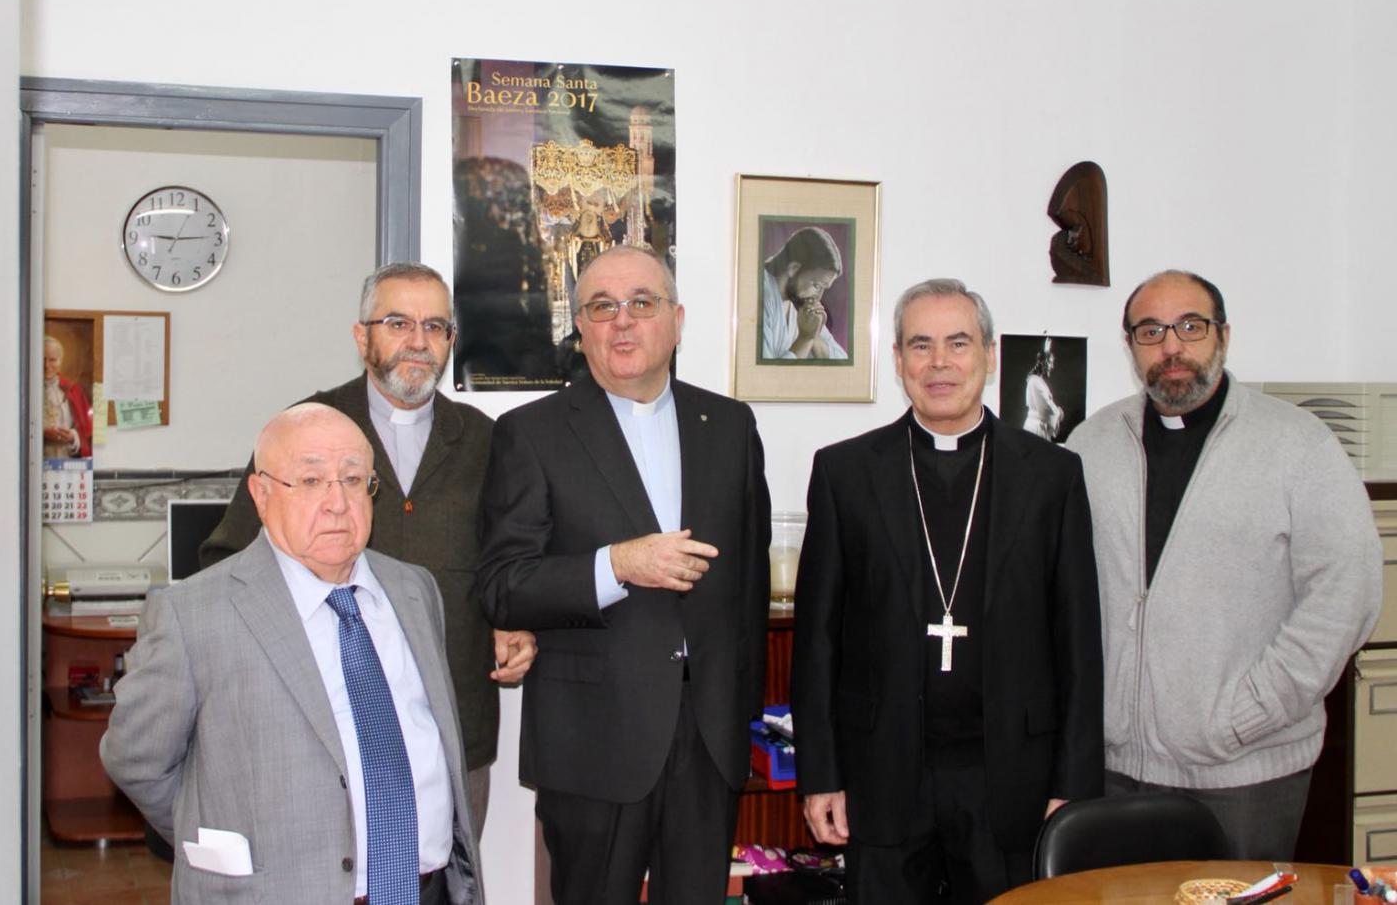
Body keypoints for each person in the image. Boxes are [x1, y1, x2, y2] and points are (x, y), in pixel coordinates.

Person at [475, 245, 771, 905]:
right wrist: (618, 564)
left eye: (642, 303)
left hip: (709, 738)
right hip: (591, 739)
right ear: (579, 328)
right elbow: (502, 583)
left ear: (677, 319)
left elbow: (749, 585)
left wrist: (740, 714)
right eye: (602, 307)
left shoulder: (728, 424)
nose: (623, 322)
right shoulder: (532, 433)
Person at [792, 278, 1102, 905]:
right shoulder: (845, 472)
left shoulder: (1052, 475)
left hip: (1011, 777)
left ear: (988, 355)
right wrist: (820, 774)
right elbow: (816, 640)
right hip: (881, 774)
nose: (939, 363)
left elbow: (1078, 638)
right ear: (900, 360)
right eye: (920, 345)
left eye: (958, 343)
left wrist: (1074, 781)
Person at [200, 261, 534, 837]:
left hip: (452, 721)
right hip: (324, 727)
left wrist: (517, 621)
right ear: (363, 337)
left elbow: (513, 559)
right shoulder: (303, 431)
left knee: (442, 884)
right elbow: (228, 561)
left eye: (435, 327)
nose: (418, 342)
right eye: (398, 322)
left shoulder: (486, 440)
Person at [102, 404, 483, 904]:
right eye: (309, 480)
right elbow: (137, 760)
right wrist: (222, 837)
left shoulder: (413, 590)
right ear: (261, 495)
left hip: (428, 889)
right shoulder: (192, 614)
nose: (337, 503)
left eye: (353, 479)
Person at [1066, 269, 1383, 861]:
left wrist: (1249, 712)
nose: (1171, 347)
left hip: (1246, 772)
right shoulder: (1091, 444)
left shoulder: (1298, 444)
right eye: (1150, 330)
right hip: (1115, 767)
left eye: (1191, 326)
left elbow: (1349, 591)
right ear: (1130, 344)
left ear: (1223, 336)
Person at [760, 226, 849, 360]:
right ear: (793, 269)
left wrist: (814, 337)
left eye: (824, 289)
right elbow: (765, 376)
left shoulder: (800, 301)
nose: (819, 297)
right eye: (816, 285)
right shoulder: (760, 294)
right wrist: (805, 339)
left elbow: (841, 360)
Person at [42, 334, 93, 458]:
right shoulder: (24, 391)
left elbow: (87, 433)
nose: (46, 365)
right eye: (42, 359)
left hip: (68, 465)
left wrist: (72, 437)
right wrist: (42, 433)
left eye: (52, 360)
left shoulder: (74, 391)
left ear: (61, 361)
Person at [1023, 338, 1063, 440]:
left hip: (1040, 428)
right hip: (1036, 429)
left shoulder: (1038, 382)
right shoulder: (1035, 382)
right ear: (1043, 363)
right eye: (1050, 362)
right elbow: (1046, 406)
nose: (1052, 366)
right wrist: (1058, 412)